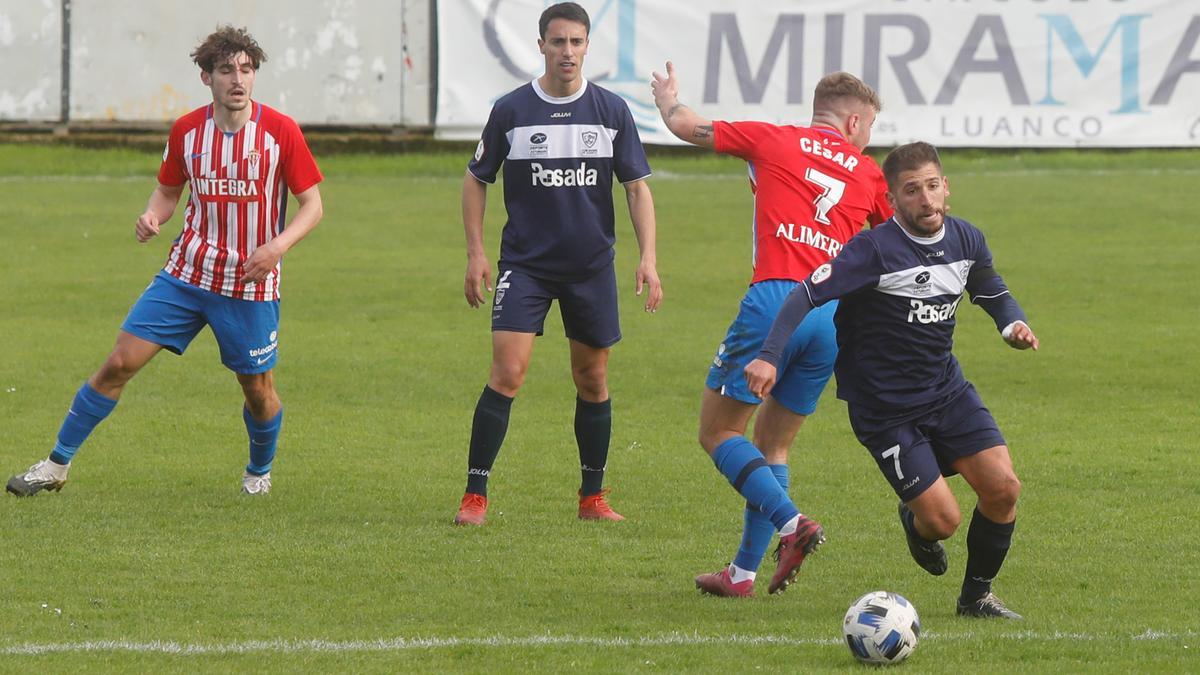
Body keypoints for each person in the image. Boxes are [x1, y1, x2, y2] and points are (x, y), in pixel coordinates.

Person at [6, 26, 324, 498]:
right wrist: (152, 217)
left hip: (249, 284)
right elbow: (169, 192)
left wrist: (276, 248)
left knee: (257, 391)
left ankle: (259, 472)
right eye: (226, 70)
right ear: (205, 77)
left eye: (246, 70)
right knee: (118, 363)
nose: (238, 80)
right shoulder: (187, 131)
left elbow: (313, 206)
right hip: (186, 274)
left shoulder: (280, 132)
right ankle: (56, 465)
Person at [745, 141, 1039, 618]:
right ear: (894, 199)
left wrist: (1012, 326)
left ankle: (976, 598)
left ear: (946, 187)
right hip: (885, 410)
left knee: (1004, 487)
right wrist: (769, 356)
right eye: (911, 191)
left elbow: (992, 290)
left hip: (947, 392)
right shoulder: (873, 251)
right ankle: (917, 518)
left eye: (931, 187)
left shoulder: (966, 240)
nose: (925, 200)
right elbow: (804, 295)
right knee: (943, 521)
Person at [650, 63, 892, 595]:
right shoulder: (870, 173)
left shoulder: (773, 140)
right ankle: (741, 574)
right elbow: (897, 242)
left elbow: (688, 127)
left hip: (773, 302)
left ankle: (792, 524)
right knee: (773, 445)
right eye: (870, 126)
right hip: (830, 317)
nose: (869, 136)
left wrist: (668, 99)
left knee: (718, 432)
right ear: (853, 122)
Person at [454, 2, 662, 526]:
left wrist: (649, 259)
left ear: (588, 46)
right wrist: (477, 253)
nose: (566, 51)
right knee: (508, 371)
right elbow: (477, 179)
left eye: (576, 42)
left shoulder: (612, 111)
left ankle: (592, 498)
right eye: (557, 42)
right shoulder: (512, 110)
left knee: (592, 379)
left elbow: (636, 188)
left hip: (590, 267)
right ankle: (474, 496)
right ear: (541, 45)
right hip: (524, 265)